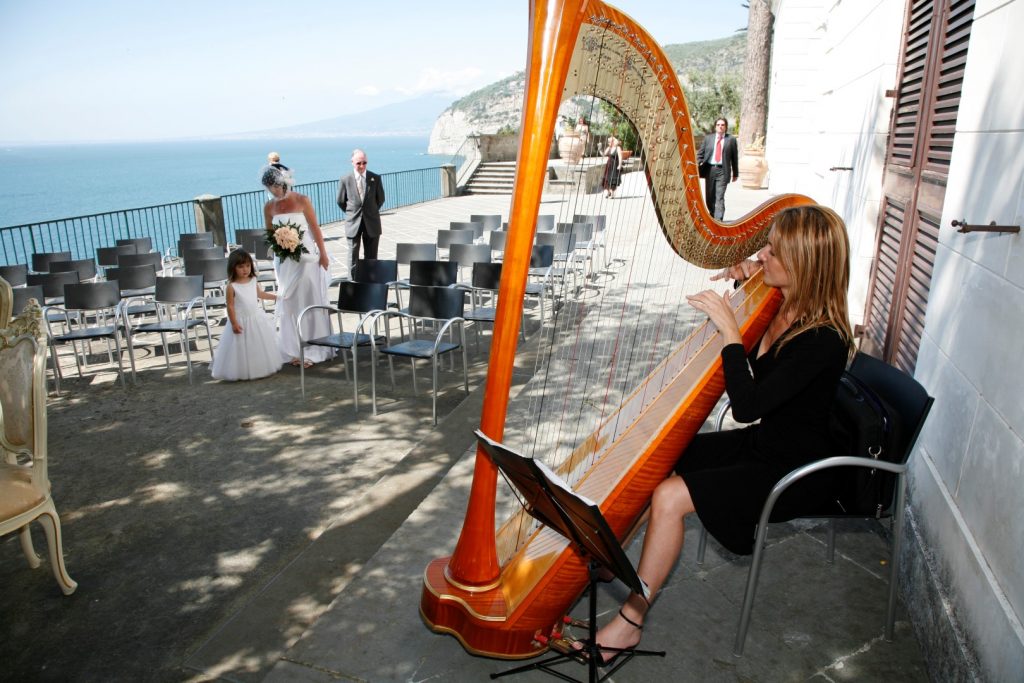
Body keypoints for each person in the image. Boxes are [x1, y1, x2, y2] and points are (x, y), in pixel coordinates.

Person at [584, 205, 855, 663]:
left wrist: (731, 330)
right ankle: (620, 563)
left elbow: (748, 405)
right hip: (766, 445)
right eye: (766, 247)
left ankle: (630, 621)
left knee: (670, 495)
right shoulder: (784, 303)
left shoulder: (823, 339)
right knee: (660, 454)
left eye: (775, 251)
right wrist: (746, 284)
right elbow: (760, 385)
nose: (763, 254)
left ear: (805, 265)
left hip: (796, 469)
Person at [261, 165, 335, 367]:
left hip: (306, 259)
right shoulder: (269, 208)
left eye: (275, 186)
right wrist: (280, 243)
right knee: (289, 302)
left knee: (308, 299)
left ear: (283, 182)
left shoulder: (302, 200)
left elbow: (315, 228)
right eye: (269, 188)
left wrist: (323, 254)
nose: (273, 191)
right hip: (284, 261)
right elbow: (270, 235)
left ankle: (313, 347)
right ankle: (293, 349)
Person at [210, 249, 282, 381]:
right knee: (241, 348)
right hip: (240, 321)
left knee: (258, 345)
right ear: (233, 267)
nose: (245, 269)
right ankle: (242, 371)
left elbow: (260, 294)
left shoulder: (253, 280)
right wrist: (234, 323)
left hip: (255, 318)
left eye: (248, 266)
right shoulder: (232, 286)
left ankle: (259, 367)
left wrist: (276, 297)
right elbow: (230, 306)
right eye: (241, 266)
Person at [336, 148, 385, 269]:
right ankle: (353, 284)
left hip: (372, 222)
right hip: (353, 222)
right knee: (353, 257)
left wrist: (370, 210)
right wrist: (352, 213)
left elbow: (381, 199)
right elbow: (341, 201)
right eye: (358, 163)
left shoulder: (375, 178)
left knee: (372, 257)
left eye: (364, 163)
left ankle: (371, 283)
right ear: (352, 162)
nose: (362, 166)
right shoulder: (345, 179)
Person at [697, 117, 739, 220]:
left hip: (723, 171)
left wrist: (735, 173)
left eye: (722, 125)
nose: (720, 127)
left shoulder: (731, 140)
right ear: (715, 127)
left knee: (719, 197)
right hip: (710, 170)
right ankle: (712, 217)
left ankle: (718, 220)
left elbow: (734, 158)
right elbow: (700, 154)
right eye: (718, 125)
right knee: (710, 197)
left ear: (726, 127)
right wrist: (697, 164)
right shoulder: (708, 139)